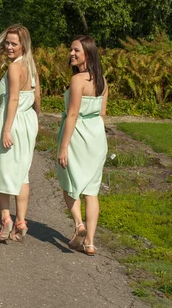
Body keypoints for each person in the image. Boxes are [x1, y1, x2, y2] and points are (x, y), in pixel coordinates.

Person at [0, 25, 40, 243]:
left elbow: (13, 99)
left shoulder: (15, 68)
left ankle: (6, 218)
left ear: (24, 45)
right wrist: (34, 121)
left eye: (14, 43)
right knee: (22, 173)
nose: (9, 47)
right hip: (27, 120)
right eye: (8, 42)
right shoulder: (30, 65)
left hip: (12, 121)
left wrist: (6, 129)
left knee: (1, 170)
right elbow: (37, 96)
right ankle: (21, 221)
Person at [56, 35, 108, 256]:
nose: (71, 54)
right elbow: (102, 114)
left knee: (69, 182)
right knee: (92, 191)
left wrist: (63, 146)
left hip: (77, 135)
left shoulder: (78, 81)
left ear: (88, 52)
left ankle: (79, 224)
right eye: (70, 49)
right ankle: (90, 242)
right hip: (96, 137)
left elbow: (73, 114)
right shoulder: (103, 81)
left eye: (76, 50)